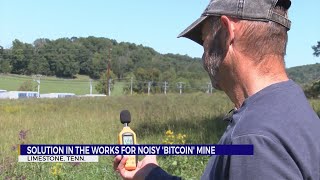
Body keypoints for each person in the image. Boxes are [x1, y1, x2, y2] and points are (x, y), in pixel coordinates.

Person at [114, 0, 320, 179]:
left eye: (204, 40)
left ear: (227, 32)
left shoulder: (253, 138)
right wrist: (151, 176)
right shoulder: (294, 109)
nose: (203, 56)